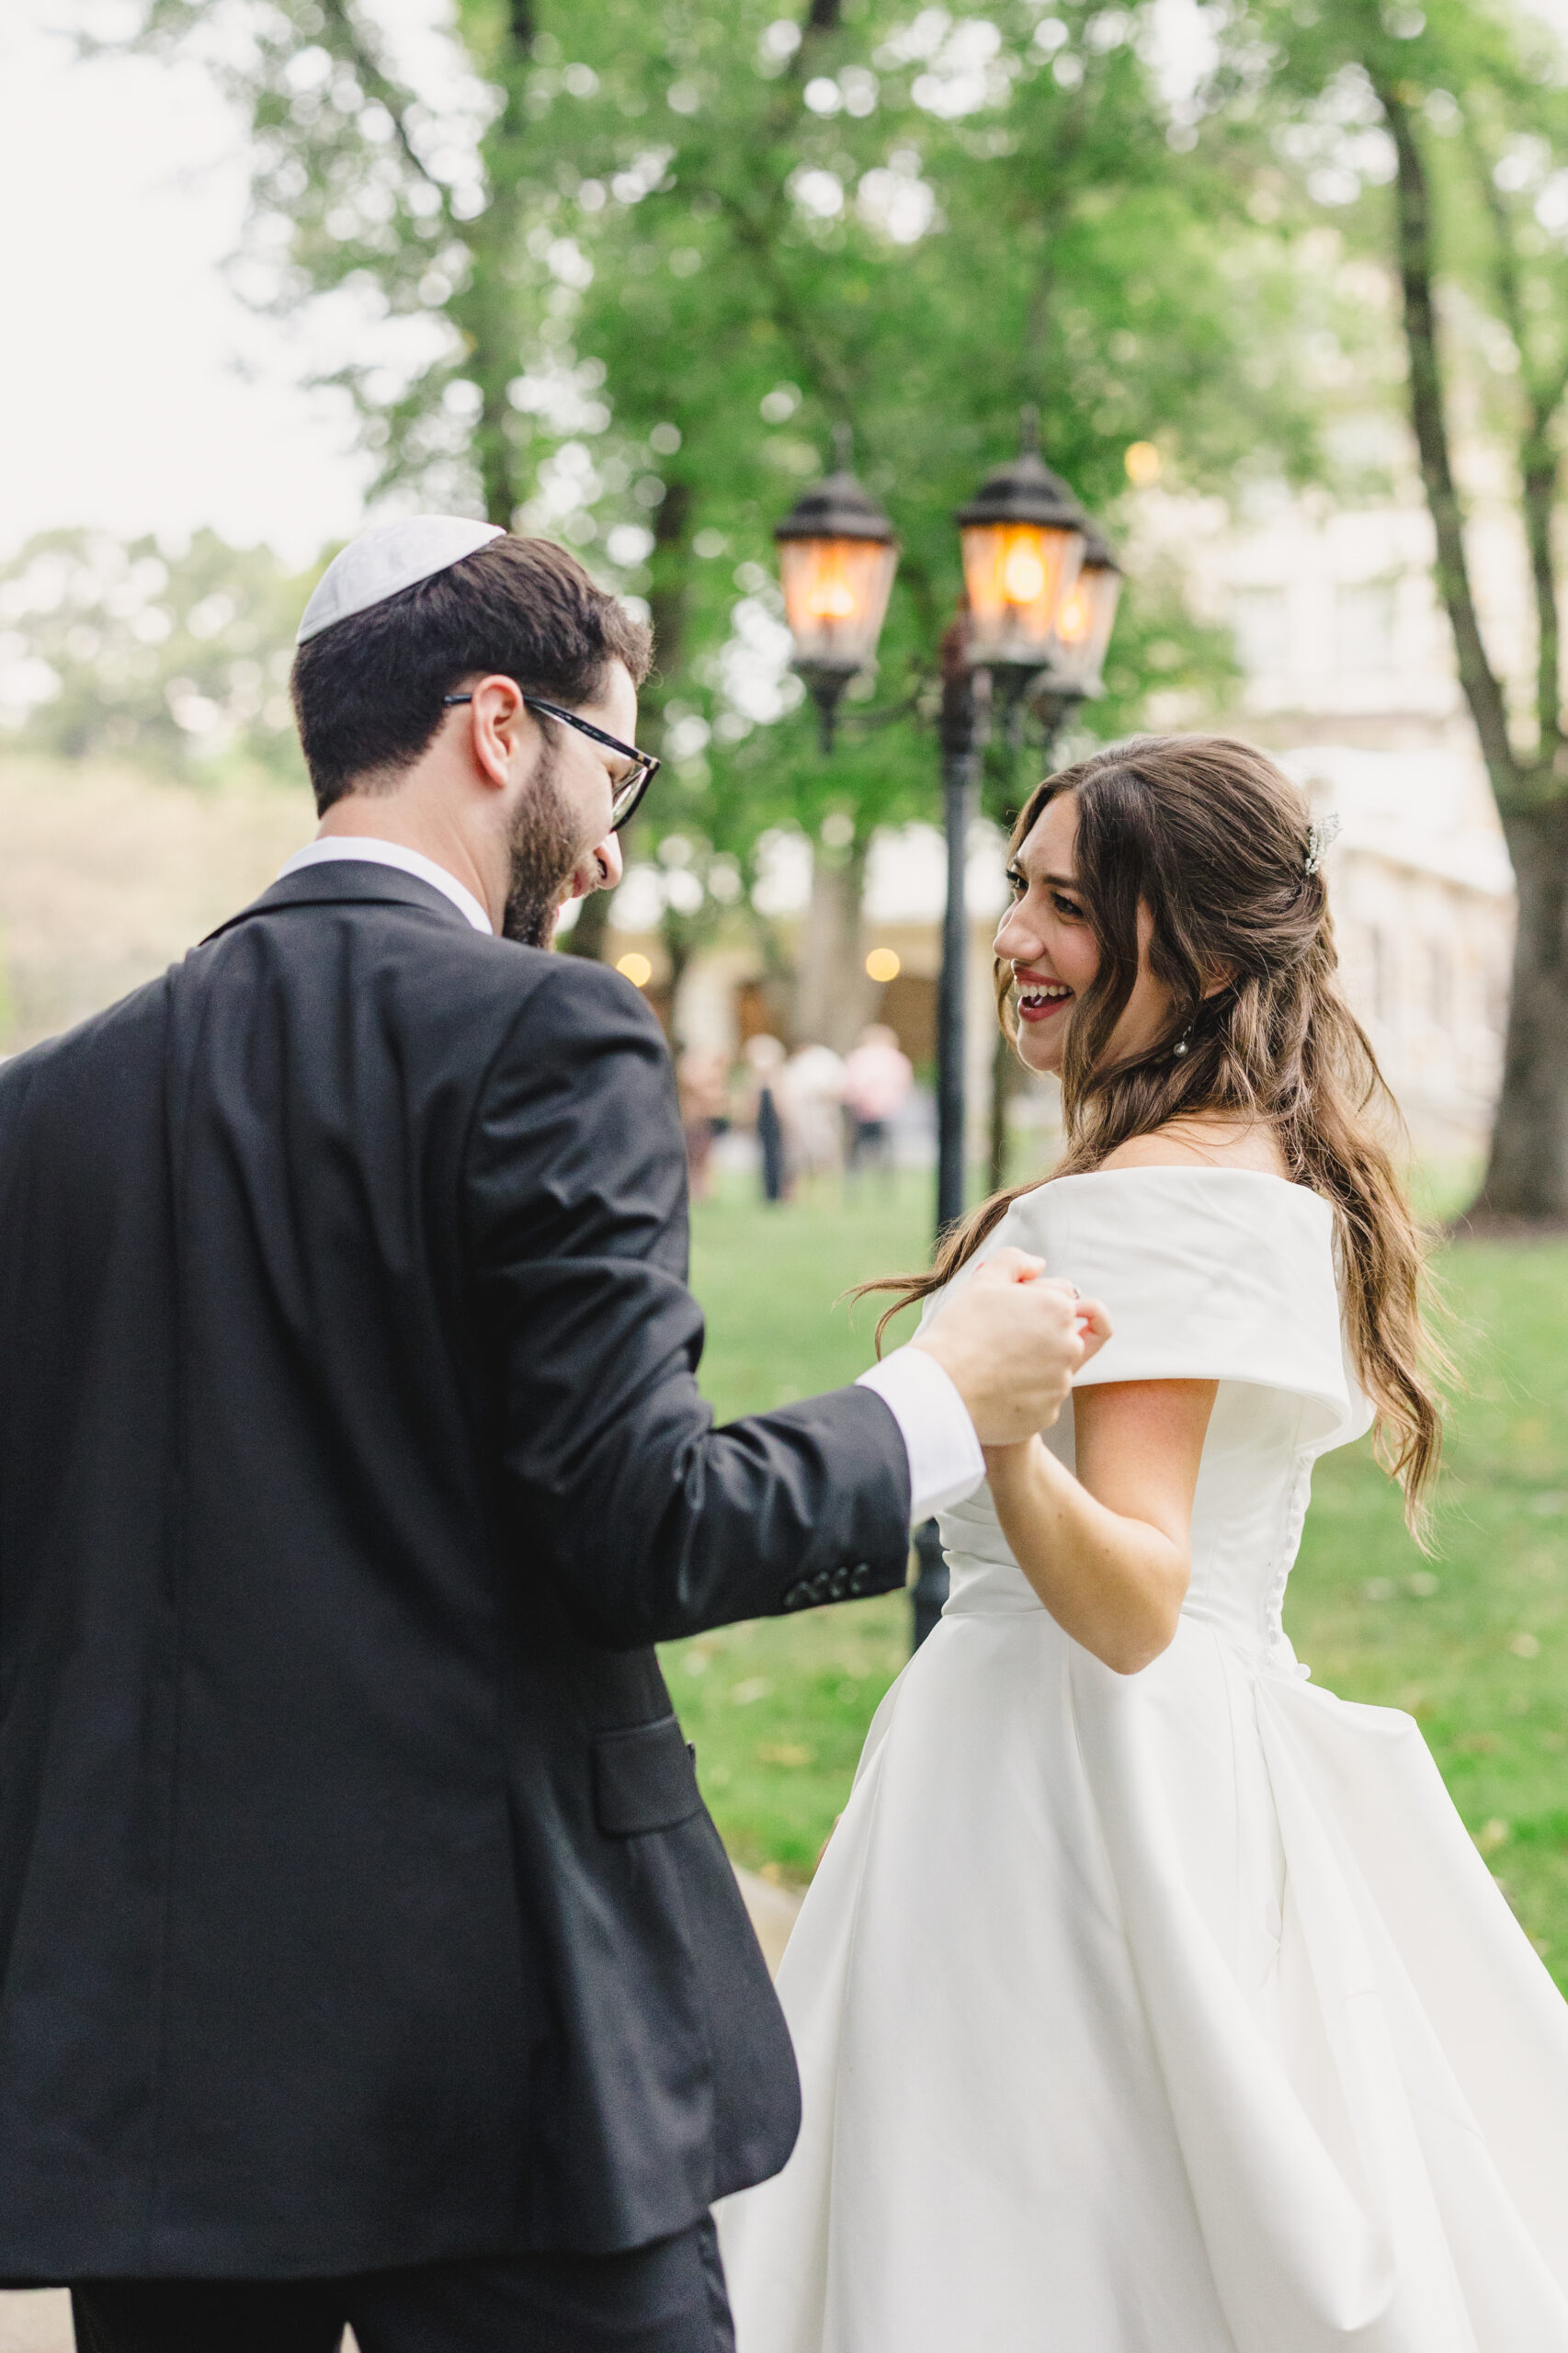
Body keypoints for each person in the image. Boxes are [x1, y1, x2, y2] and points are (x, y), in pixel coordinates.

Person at [0, 518, 1102, 2353]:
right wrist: (940, 1398)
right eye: (614, 768)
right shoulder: (547, 1036)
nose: (610, 845)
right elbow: (643, 1527)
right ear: (500, 725)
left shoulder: (42, 1107)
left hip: (160, 2068)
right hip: (507, 2043)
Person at [718, 737, 1568, 2348]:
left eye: (1069, 906)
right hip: (1184, 1766)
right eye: (1017, 890)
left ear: (1200, 950)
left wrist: (990, 1428)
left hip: (1059, 1783)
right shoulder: (1254, 1163)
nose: (1014, 939)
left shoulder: (1147, 1201)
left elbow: (1132, 1601)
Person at [839, 1022, 911, 1183]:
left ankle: (854, 1183)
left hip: (860, 1111)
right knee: (887, 1151)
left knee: (856, 1151)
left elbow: (849, 1087)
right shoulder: (896, 1058)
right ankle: (886, 1182)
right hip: (888, 1112)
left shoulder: (857, 1057)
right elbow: (903, 1086)